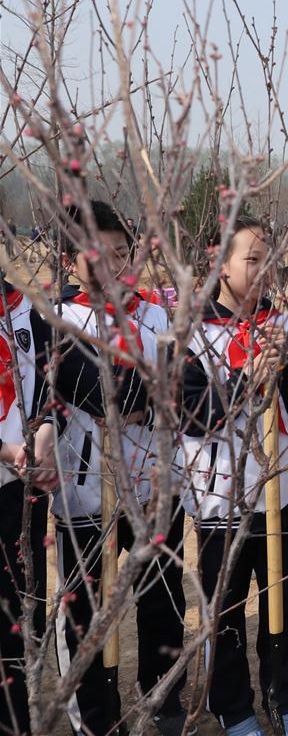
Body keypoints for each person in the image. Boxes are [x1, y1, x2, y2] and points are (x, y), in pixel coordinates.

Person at [52, 200, 189, 736]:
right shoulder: (60, 322)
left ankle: (165, 697)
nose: (110, 265)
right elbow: (91, 390)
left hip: (155, 483)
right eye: (95, 255)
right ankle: (94, 714)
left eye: (120, 252)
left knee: (163, 596)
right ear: (70, 262)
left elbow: (176, 388)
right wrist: (142, 390)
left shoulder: (155, 313)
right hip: (86, 492)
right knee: (87, 609)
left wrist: (145, 394)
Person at [180, 215, 288, 736]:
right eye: (251, 260)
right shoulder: (191, 330)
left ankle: (287, 696)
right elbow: (189, 412)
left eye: (269, 259)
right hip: (220, 494)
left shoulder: (283, 323)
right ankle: (233, 708)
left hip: (281, 488)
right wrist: (243, 381)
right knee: (225, 607)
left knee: (283, 595)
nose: (262, 271)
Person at [0, 277, 78, 735]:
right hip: (11, 463)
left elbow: (57, 389)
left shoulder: (29, 310)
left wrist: (47, 429)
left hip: (17, 493)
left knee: (19, 614)